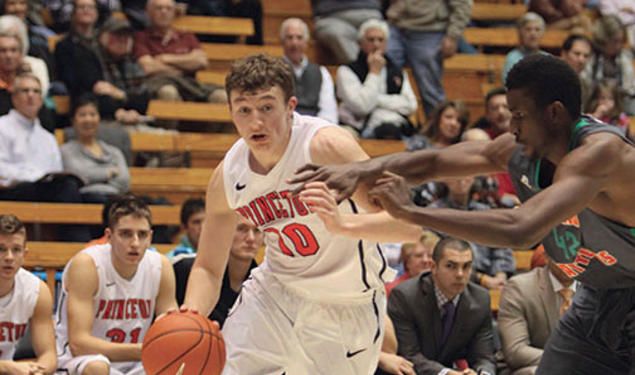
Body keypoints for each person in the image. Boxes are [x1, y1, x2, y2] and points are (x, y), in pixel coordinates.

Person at [291, 53, 635, 375]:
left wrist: (413, 212)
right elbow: (436, 161)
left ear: (554, 113)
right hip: (595, 297)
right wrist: (361, 171)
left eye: (519, 115)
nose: (511, 127)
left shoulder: (600, 152)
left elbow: (521, 229)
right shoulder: (522, 148)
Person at [180, 53, 422, 375]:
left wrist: (343, 224)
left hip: (345, 303)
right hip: (275, 292)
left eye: (267, 107)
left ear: (291, 106)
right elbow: (209, 268)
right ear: (231, 112)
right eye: (244, 110)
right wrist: (189, 315)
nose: (256, 122)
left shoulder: (326, 147)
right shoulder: (228, 176)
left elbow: (407, 227)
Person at [55, 194, 178, 375]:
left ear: (150, 237)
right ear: (109, 236)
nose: (135, 243)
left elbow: (170, 326)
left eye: (142, 234)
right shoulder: (87, 265)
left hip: (135, 363)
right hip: (81, 360)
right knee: (98, 368)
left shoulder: (161, 266)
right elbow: (79, 344)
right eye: (125, 234)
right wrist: (144, 350)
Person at [0, 73, 90, 242]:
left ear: (41, 100)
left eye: (36, 91)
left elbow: (56, 169)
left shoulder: (47, 137)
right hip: (12, 190)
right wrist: (33, 176)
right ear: (14, 97)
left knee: (87, 195)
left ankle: (79, 245)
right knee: (65, 190)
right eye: (25, 91)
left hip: (44, 189)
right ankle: (78, 245)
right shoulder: (2, 127)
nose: (31, 95)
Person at [387, 237, 496, 375]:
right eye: (451, 266)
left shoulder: (480, 299)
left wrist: (483, 373)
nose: (460, 274)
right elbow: (409, 355)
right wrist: (446, 373)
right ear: (433, 267)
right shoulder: (405, 296)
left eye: (466, 266)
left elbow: (484, 356)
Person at [385, 0, 472, 116]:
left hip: (430, 30)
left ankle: (436, 129)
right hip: (396, 26)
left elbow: (463, 4)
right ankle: (384, 125)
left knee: (430, 89)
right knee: (381, 75)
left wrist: (453, 35)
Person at [172, 215, 262, 328]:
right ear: (223, 232)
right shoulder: (184, 269)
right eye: (241, 229)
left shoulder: (265, 283)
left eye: (257, 230)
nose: (251, 238)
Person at [133, 0, 226, 106]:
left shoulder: (186, 36)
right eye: (158, 8)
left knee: (221, 95)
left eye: (168, 9)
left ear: (174, 13)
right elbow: (148, 67)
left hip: (189, 84)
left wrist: (165, 58)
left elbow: (201, 61)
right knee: (168, 92)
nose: (164, 12)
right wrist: (185, 66)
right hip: (159, 83)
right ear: (148, 13)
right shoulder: (141, 37)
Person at [337, 19, 417, 139]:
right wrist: (374, 73)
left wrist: (376, 100)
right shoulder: (347, 71)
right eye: (371, 40)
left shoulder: (397, 71)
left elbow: (411, 105)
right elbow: (362, 107)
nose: (376, 45)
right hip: (360, 130)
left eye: (380, 40)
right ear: (361, 43)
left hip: (396, 127)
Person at [498, 255, 576, 375]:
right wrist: (569, 360)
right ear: (548, 255)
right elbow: (515, 352)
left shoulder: (597, 288)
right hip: (533, 367)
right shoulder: (520, 287)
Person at [0, 214, 57, 375]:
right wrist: (7, 367)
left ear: (25, 254)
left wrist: (38, 371)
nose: (9, 257)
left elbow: (48, 354)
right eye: (1, 249)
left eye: (16, 250)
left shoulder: (36, 290)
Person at [60, 93, 130, 204]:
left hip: (116, 199)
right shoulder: (66, 150)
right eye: (82, 115)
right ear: (73, 120)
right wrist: (111, 173)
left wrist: (94, 179)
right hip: (87, 200)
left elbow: (125, 182)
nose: (88, 120)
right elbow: (79, 177)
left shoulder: (114, 151)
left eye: (93, 114)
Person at [280, 17, 337, 124]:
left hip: (315, 129)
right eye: (290, 37)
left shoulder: (321, 72)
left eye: (299, 38)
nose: (294, 43)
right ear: (282, 42)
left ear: (306, 42)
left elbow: (328, 112)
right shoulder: (274, 71)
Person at [583, 15, 635, 115]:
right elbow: (587, 86)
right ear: (604, 39)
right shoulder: (591, 57)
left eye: (621, 41)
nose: (619, 46)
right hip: (594, 104)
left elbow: (629, 87)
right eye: (615, 41)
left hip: (620, 105)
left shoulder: (624, 58)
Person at [311, 0, 383, 65]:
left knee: (381, 33)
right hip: (331, 15)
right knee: (336, 32)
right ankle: (360, 71)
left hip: (371, 12)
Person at [385, 231, 439, 297]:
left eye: (430, 255)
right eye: (418, 255)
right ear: (407, 262)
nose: (425, 260)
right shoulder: (392, 290)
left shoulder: (446, 288)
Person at [502, 12, 549, 84]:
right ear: (520, 33)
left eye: (537, 29)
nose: (533, 34)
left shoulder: (548, 58)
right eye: (528, 29)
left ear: (543, 33)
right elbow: (509, 86)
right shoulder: (512, 58)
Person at [559, 33, 593, 104]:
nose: (581, 60)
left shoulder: (585, 85)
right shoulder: (550, 78)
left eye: (586, 56)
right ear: (564, 54)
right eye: (577, 54)